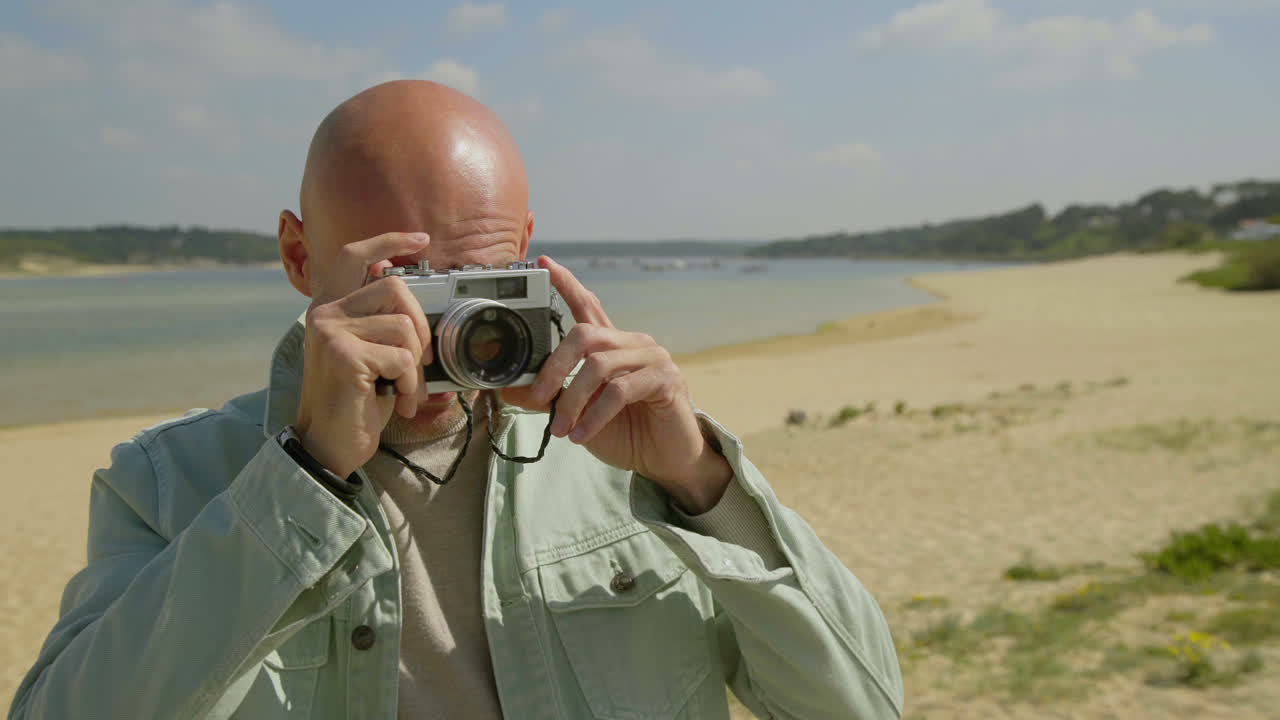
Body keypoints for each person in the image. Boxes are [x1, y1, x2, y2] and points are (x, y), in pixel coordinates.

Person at [9, 81, 903, 720]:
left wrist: (701, 482)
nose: (439, 331)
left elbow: (859, 704)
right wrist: (303, 477)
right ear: (297, 256)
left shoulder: (623, 457)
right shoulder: (169, 482)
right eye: (398, 280)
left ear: (528, 250)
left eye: (479, 287)